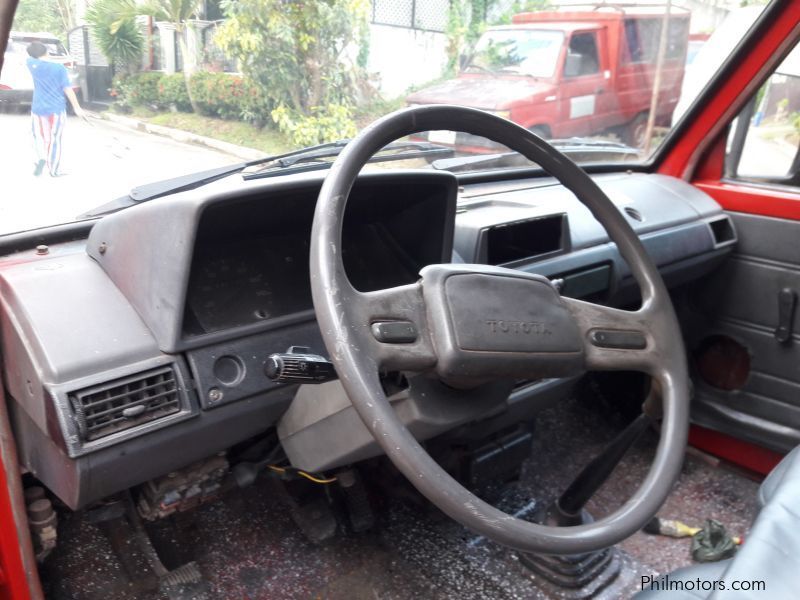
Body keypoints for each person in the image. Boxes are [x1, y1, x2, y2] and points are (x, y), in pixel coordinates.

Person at [26, 41, 87, 177]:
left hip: (38, 108)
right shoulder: (59, 68)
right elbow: (67, 89)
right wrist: (77, 108)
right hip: (56, 109)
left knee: (39, 136)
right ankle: (53, 169)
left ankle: (40, 159)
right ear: (47, 52)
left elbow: (32, 57)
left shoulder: (31, 64)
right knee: (55, 138)